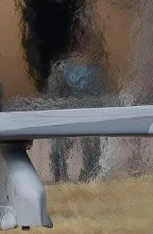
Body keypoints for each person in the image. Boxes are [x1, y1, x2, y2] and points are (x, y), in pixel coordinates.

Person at [43, 46, 109, 183]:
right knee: (62, 144)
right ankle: (60, 175)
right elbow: (54, 94)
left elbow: (100, 92)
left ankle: (89, 176)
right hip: (65, 111)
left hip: (89, 112)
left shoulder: (94, 70)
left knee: (91, 143)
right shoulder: (61, 69)